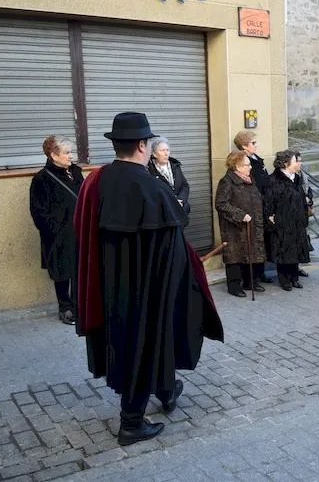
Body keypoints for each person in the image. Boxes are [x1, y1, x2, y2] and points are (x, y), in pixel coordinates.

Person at [74, 112, 223, 446]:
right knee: (145, 344)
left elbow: (81, 233)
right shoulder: (154, 189)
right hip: (147, 291)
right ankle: (131, 423)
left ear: (116, 144)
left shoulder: (95, 181)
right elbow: (174, 253)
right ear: (143, 146)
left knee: (129, 344)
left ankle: (167, 390)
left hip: (109, 287)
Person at [29, 135, 84, 325]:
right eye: (67, 153)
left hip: (79, 231)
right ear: (53, 155)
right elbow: (38, 211)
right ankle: (65, 308)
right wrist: (56, 231)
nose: (71, 156)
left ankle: (79, 305)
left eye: (71, 152)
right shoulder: (41, 179)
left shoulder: (75, 171)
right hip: (59, 236)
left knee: (79, 270)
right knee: (62, 272)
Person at [215, 151, 266, 298]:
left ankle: (250, 282)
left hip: (252, 223)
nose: (250, 167)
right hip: (234, 227)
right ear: (237, 166)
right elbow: (221, 203)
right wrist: (240, 215)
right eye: (247, 164)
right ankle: (234, 286)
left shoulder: (249, 179)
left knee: (251, 253)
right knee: (235, 256)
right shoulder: (227, 181)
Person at [265, 150, 311, 291]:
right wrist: (271, 218)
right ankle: (284, 280)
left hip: (297, 221)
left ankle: (294, 277)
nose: (299, 163)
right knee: (283, 252)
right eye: (296, 161)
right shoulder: (273, 180)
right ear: (286, 163)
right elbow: (268, 202)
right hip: (282, 223)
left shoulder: (296, 178)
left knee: (295, 250)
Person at [235, 130, 274, 284]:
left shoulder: (257, 159)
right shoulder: (242, 161)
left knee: (262, 240)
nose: (256, 145)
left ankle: (261, 272)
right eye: (253, 143)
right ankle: (253, 277)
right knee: (253, 242)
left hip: (263, 204)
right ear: (244, 146)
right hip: (254, 205)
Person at [148, 137, 191, 215]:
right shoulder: (149, 170)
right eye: (162, 150)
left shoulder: (175, 166)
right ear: (154, 154)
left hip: (180, 210)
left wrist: (180, 200)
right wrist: (171, 203)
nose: (166, 153)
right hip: (162, 213)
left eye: (167, 150)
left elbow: (185, 186)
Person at [294, 151, 314, 279]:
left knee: (302, 239)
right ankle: (293, 268)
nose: (300, 163)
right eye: (298, 160)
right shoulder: (289, 176)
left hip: (303, 211)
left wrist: (309, 199)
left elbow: (308, 189)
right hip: (295, 211)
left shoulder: (302, 174)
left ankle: (298, 266)